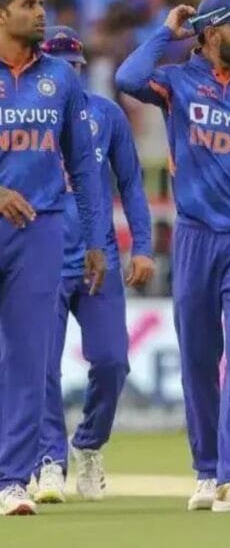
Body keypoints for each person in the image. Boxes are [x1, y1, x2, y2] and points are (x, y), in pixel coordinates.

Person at [114, 0, 230, 513]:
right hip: (194, 236)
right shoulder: (176, 82)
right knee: (197, 359)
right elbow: (127, 77)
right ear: (212, 33)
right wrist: (165, 32)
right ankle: (208, 472)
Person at [0, 0, 105, 516]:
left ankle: (11, 481)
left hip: (40, 230)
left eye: (41, 3)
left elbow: (83, 167)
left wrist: (94, 238)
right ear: (2, 14)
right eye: (27, 4)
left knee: (30, 359)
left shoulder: (61, 79)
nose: (40, 12)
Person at [32, 27, 153, 505]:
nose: (67, 74)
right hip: (41, 257)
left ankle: (88, 443)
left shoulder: (106, 115)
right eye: (58, 65)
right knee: (41, 367)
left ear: (81, 69)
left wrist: (142, 246)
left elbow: (132, 183)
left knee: (112, 360)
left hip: (97, 258)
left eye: (74, 66)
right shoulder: (25, 113)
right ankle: (48, 460)